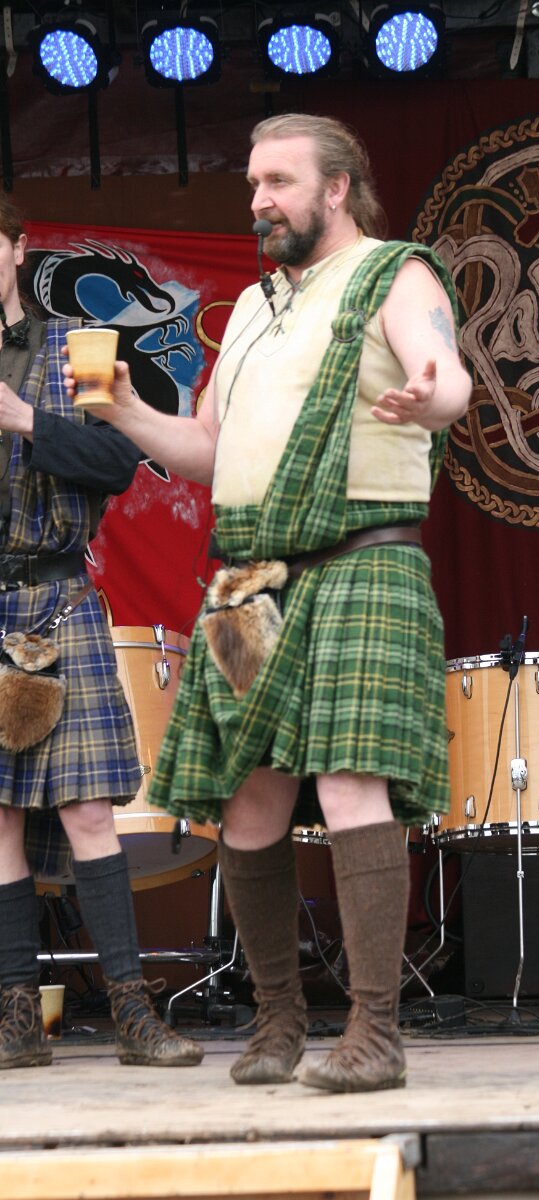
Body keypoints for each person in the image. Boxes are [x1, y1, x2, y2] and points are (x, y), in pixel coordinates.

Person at [63, 113, 472, 1093]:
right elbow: (207, 450)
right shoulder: (250, 306)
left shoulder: (393, 274)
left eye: (279, 181)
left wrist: (432, 395)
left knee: (352, 780)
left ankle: (374, 1033)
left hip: (361, 563)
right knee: (245, 794)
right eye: (253, 183)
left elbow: (447, 376)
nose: (259, 201)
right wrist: (126, 410)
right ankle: (278, 1020)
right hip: (250, 584)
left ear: (337, 188)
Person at [0, 195, 203, 1070]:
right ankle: (17, 1019)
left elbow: (118, 463)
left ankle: (132, 1012)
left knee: (88, 809)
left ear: (17, 249)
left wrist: (26, 422)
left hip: (58, 599)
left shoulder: (76, 348)